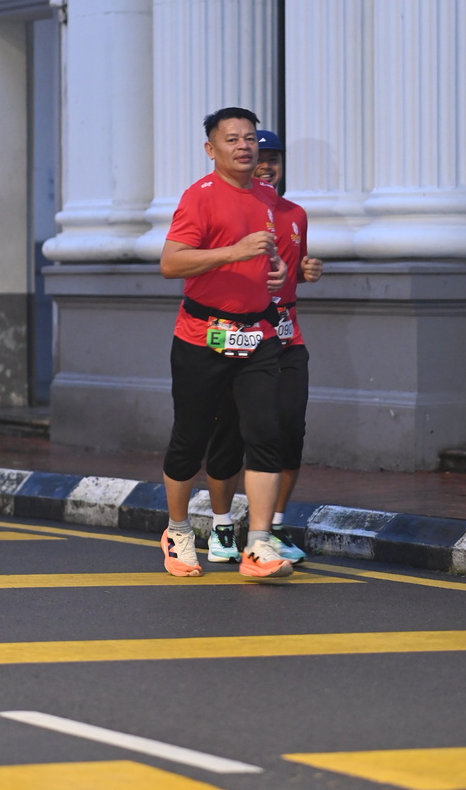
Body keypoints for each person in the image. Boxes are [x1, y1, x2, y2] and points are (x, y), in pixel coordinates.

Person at [159, 108, 295, 580]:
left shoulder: (267, 196)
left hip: (258, 335)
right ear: (211, 149)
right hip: (202, 335)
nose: (244, 146)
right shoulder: (199, 197)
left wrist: (277, 269)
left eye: (250, 138)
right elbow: (171, 264)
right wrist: (234, 253)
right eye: (232, 138)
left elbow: (268, 254)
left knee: (264, 435)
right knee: (190, 438)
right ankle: (177, 531)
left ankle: (257, 545)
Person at [205, 130, 323, 565]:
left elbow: (292, 267)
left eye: (273, 158)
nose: (266, 166)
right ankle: (221, 525)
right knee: (228, 433)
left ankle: (271, 526)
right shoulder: (226, 206)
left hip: (287, 337)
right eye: (260, 157)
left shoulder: (295, 214)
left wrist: (307, 270)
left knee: (288, 430)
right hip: (236, 335)